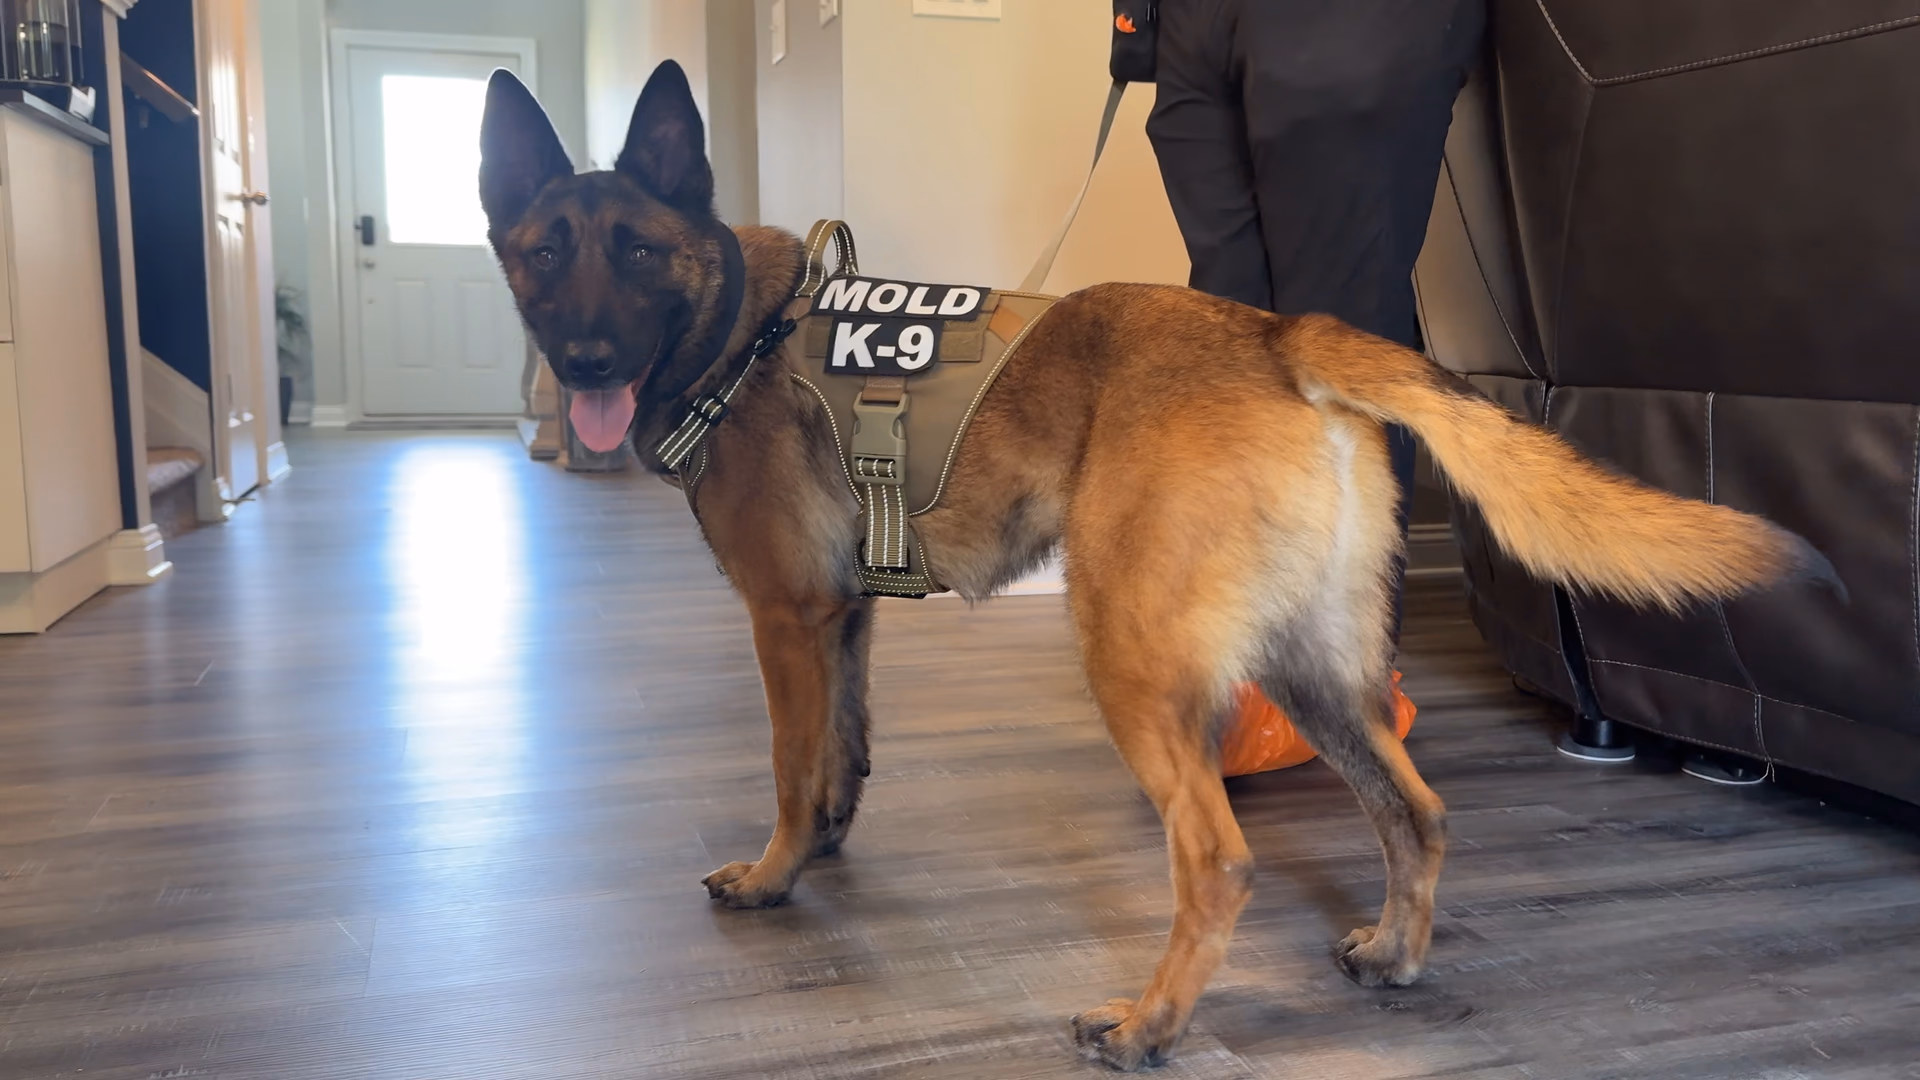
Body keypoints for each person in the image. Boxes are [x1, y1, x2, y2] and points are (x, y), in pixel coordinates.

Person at [1143, 0, 1487, 640]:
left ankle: (1343, 668)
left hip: (1349, 19)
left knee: (1341, 342)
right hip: (1192, 25)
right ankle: (1242, 651)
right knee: (1228, 340)